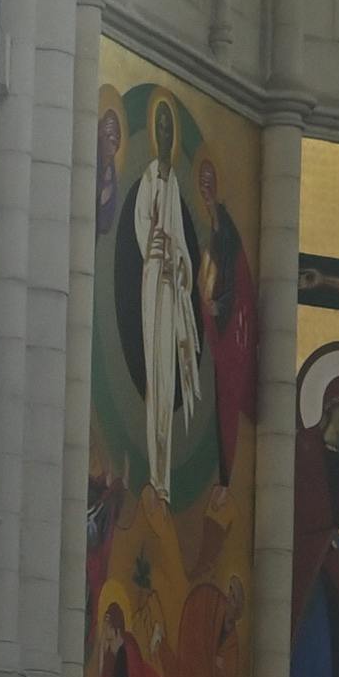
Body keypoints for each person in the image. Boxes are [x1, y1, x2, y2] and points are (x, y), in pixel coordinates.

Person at [130, 92, 205, 500]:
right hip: (150, 286)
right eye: (158, 126)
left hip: (171, 290)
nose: (161, 133)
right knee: (154, 370)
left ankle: (164, 482)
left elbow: (183, 248)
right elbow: (142, 223)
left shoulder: (174, 184)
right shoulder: (146, 178)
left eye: (167, 128)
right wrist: (152, 249)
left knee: (168, 377)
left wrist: (179, 263)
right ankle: (154, 473)